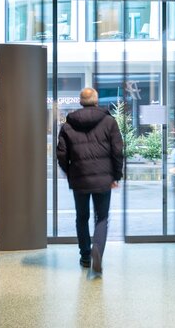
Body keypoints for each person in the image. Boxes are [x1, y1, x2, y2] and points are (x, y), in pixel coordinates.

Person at [56, 87, 123, 274]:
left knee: (82, 217)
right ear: (96, 100)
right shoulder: (109, 122)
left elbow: (61, 154)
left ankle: (85, 256)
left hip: (80, 178)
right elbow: (118, 151)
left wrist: (70, 172)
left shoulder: (68, 125)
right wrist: (116, 175)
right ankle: (97, 250)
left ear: (80, 101)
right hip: (104, 177)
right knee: (101, 217)